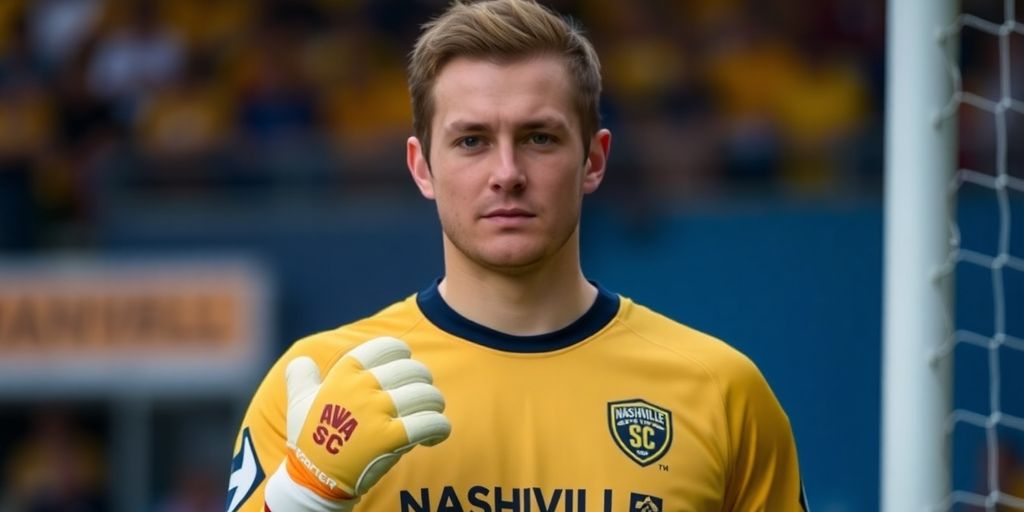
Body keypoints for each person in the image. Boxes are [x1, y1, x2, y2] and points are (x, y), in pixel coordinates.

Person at [226, 1, 808, 511]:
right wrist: (305, 494)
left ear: (594, 160)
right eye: (471, 141)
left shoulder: (722, 392)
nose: (507, 174)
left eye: (539, 138)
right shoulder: (319, 384)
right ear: (421, 166)